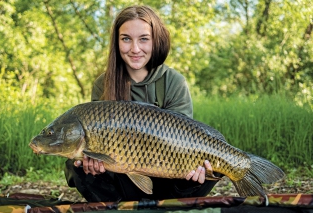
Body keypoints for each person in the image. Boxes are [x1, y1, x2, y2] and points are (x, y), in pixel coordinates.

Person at [64, 5, 221, 202]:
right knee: (77, 164)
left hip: (168, 175)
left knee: (207, 169)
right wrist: (94, 164)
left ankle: (166, 205)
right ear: (117, 42)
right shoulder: (103, 83)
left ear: (156, 41)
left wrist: (193, 171)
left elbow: (183, 141)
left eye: (144, 39)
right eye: (126, 39)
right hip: (123, 179)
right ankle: (117, 207)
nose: (135, 48)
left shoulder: (173, 81)